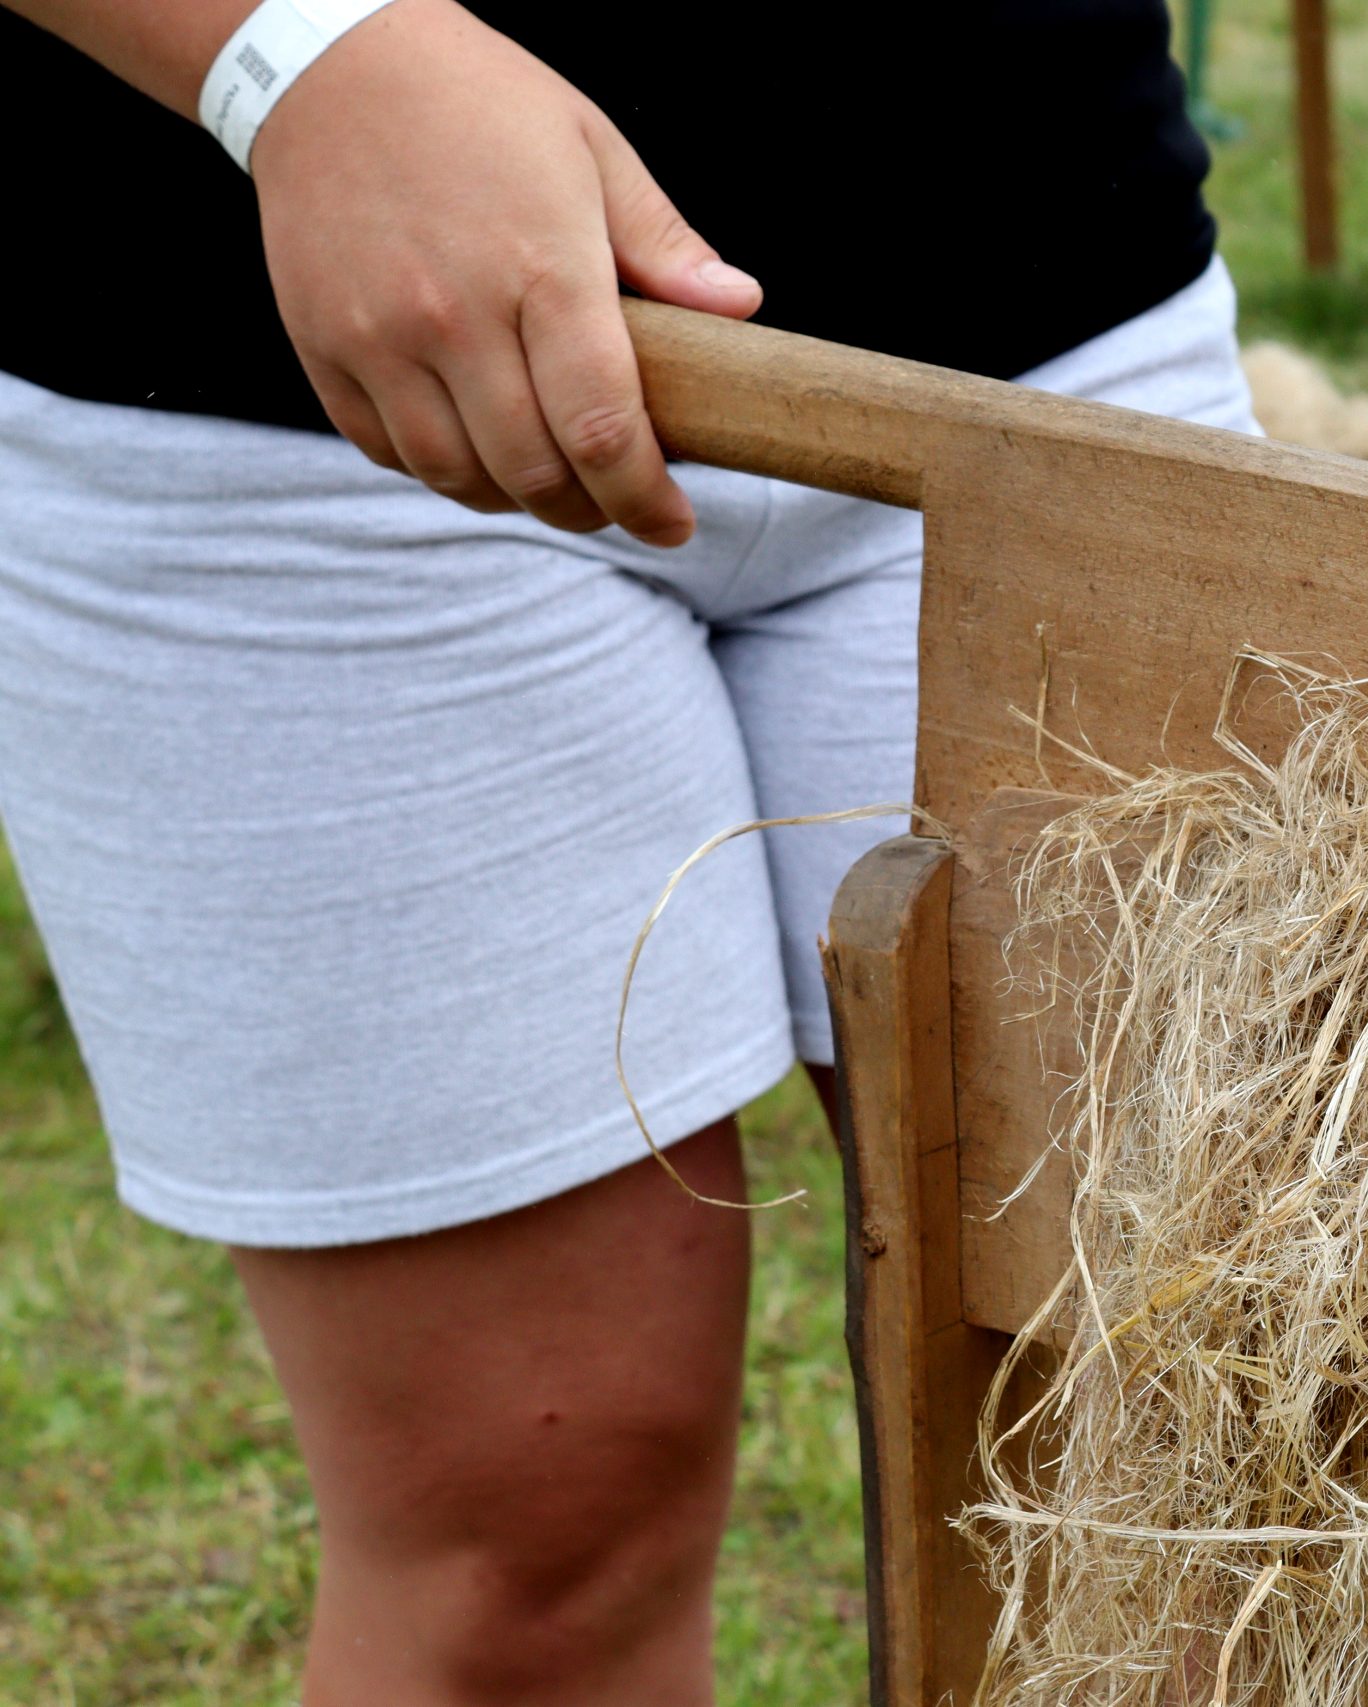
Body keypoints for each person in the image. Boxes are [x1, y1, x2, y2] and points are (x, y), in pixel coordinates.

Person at [0, 2, 1260, 1699]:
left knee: (1201, 1474)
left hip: (1048, 301)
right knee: (527, 1535)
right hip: (291, 386)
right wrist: (286, 51)